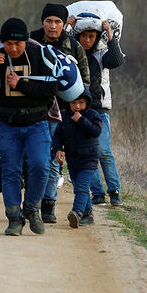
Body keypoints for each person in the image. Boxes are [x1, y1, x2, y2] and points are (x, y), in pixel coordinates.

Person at [0, 18, 58, 236]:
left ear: (25, 41)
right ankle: (14, 218)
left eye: (18, 44)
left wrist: (21, 84)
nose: (13, 48)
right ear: (3, 42)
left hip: (37, 123)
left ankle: (32, 208)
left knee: (41, 166)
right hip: (8, 125)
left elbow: (51, 88)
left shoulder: (38, 55)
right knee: (10, 171)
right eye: (9, 43)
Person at [30, 3, 90, 224]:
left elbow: (85, 84)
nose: (53, 26)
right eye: (49, 21)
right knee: (34, 159)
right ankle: (32, 203)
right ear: (42, 22)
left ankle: (48, 205)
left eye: (57, 22)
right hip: (34, 110)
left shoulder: (73, 47)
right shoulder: (31, 43)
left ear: (64, 24)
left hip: (63, 114)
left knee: (54, 159)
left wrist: (78, 113)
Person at [72, 16, 125, 206]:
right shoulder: (73, 53)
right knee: (88, 153)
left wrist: (109, 34)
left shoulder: (102, 54)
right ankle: (98, 193)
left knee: (103, 151)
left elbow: (117, 60)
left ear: (97, 37)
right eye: (84, 35)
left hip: (99, 109)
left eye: (91, 36)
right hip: (79, 109)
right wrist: (69, 27)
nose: (87, 40)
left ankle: (115, 191)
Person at [52, 86, 103, 227]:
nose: (77, 106)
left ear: (87, 102)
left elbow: (96, 131)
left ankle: (77, 212)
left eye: (81, 102)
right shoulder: (65, 117)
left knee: (81, 187)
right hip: (73, 160)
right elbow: (58, 135)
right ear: (68, 103)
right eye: (73, 103)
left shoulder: (92, 115)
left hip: (89, 159)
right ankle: (88, 215)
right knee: (79, 187)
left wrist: (81, 120)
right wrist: (58, 149)